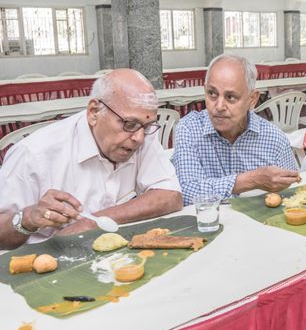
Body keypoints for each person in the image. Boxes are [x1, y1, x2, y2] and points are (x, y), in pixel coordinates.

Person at [0, 69, 183, 250]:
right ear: (94, 112)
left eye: (148, 126)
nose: (140, 138)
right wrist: (27, 219)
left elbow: (170, 196)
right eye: (129, 124)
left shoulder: (141, 135)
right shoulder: (33, 154)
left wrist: (92, 222)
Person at [172, 54, 299, 204]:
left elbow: (292, 192)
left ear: (252, 100)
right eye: (212, 94)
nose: (219, 106)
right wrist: (251, 180)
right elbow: (186, 193)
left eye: (230, 97)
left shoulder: (274, 138)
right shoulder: (190, 129)